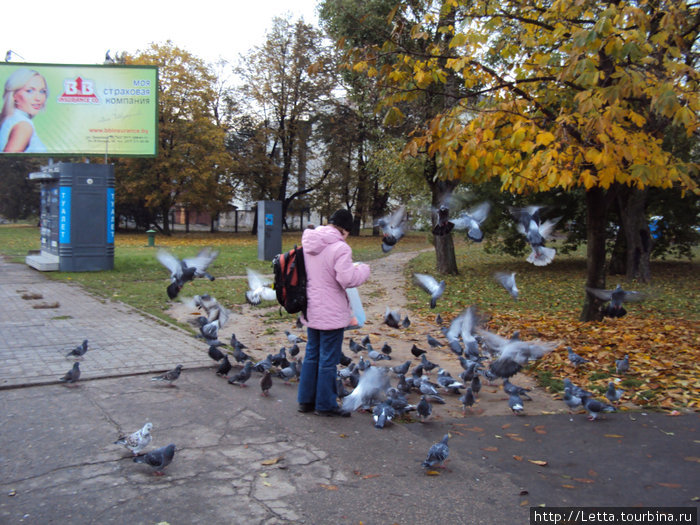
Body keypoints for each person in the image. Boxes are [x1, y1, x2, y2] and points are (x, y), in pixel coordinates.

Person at [297, 208, 370, 417]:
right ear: (345, 230)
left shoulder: (309, 242)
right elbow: (347, 279)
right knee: (328, 359)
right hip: (331, 312)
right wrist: (363, 270)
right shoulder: (340, 248)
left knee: (312, 354)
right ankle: (325, 404)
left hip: (311, 308)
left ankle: (305, 400)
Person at [0, 68, 48, 153]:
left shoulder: (9, 118)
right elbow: (9, 161)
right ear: (14, 94)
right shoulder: (23, 125)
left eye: (42, 91)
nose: (38, 98)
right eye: (29, 91)